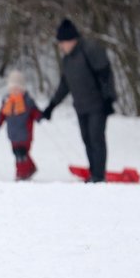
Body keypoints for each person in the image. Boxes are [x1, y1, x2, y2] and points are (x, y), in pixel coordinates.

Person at [40, 18, 117, 183]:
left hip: (97, 105)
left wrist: (109, 99)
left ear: (71, 40)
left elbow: (105, 74)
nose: (61, 46)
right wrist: (51, 107)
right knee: (87, 139)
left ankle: (99, 176)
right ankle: (93, 173)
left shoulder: (90, 50)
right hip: (81, 107)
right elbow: (64, 85)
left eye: (62, 42)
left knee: (96, 139)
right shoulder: (67, 60)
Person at [0, 70, 42, 180]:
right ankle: (30, 169)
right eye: (12, 89)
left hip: (25, 133)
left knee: (22, 154)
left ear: (22, 89)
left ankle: (21, 173)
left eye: (17, 88)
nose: (15, 91)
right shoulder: (7, 101)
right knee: (17, 153)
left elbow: (35, 112)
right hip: (13, 134)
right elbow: (2, 114)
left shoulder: (27, 101)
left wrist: (40, 116)